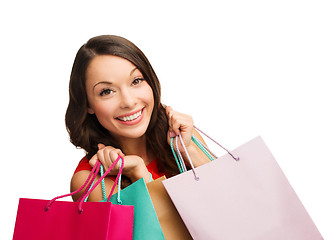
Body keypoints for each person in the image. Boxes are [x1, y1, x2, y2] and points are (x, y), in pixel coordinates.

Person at [66, 35, 210, 202]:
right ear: (87, 104)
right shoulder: (91, 181)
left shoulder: (185, 141)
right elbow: (165, 228)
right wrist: (139, 174)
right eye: (106, 91)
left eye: (136, 81)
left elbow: (234, 200)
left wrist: (189, 151)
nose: (128, 101)